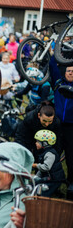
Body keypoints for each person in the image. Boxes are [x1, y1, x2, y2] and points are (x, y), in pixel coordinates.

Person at [49, 59, 73, 195]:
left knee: (71, 157)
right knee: (53, 155)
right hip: (57, 125)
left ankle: (70, 183)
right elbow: (52, 65)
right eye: (68, 71)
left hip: (71, 127)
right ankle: (53, 183)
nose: (70, 73)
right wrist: (56, 47)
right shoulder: (58, 83)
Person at [33, 130, 65, 197]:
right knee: (35, 184)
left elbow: (46, 167)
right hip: (49, 177)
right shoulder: (44, 152)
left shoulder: (49, 154)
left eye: (38, 142)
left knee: (43, 194)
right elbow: (42, 169)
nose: (35, 143)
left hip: (55, 179)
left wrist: (36, 165)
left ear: (45, 144)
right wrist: (37, 177)